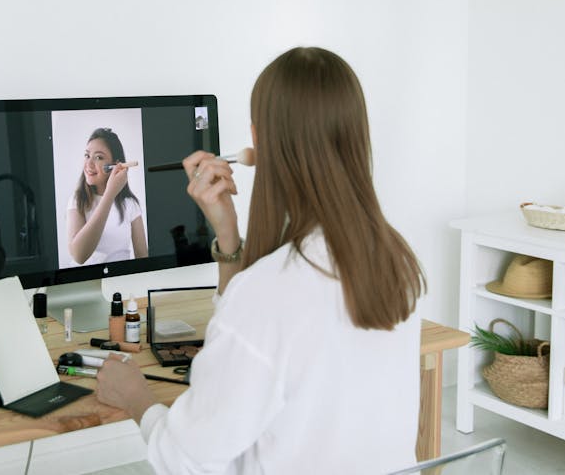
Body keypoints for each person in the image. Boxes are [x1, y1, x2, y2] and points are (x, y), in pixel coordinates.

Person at [96, 47, 427, 473]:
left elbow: (186, 460)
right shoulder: (395, 261)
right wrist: (228, 235)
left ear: (258, 139)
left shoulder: (271, 292)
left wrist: (137, 398)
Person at [67, 127, 149, 265]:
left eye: (99, 157)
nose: (89, 164)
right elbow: (78, 256)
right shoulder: (77, 200)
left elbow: (142, 257)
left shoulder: (130, 204)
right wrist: (110, 194)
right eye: (87, 155)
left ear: (116, 165)